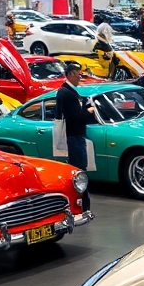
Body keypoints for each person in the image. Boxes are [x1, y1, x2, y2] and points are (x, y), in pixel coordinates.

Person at [56, 64, 96, 210]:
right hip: (74, 137)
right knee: (79, 171)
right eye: (78, 73)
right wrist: (89, 110)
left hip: (74, 136)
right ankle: (82, 205)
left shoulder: (67, 92)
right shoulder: (66, 93)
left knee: (79, 170)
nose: (80, 76)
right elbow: (75, 117)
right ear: (71, 73)